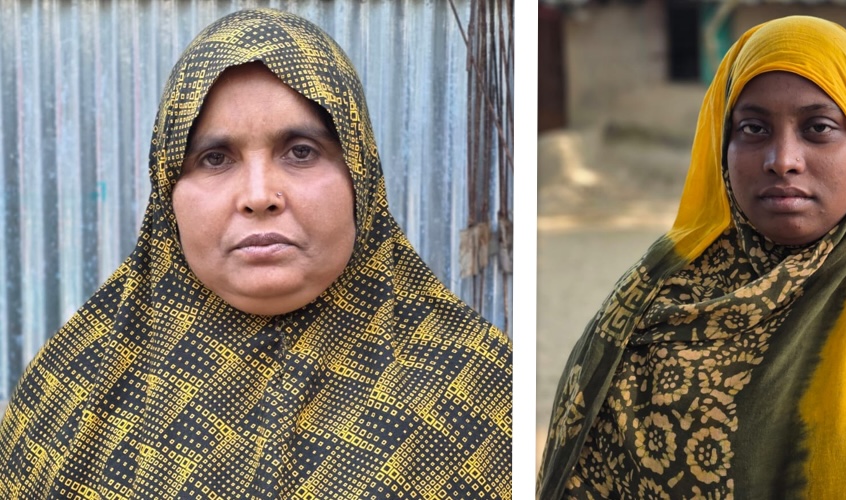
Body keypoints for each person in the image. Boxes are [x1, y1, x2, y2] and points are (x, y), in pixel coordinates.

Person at [0, 8, 512, 499]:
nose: (259, 194)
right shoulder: (73, 394)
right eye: (215, 158)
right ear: (166, 193)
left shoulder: (473, 389)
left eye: (301, 152)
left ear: (361, 175)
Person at [538, 15, 846, 499]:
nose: (783, 159)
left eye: (819, 128)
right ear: (722, 144)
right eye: (753, 128)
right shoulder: (650, 306)